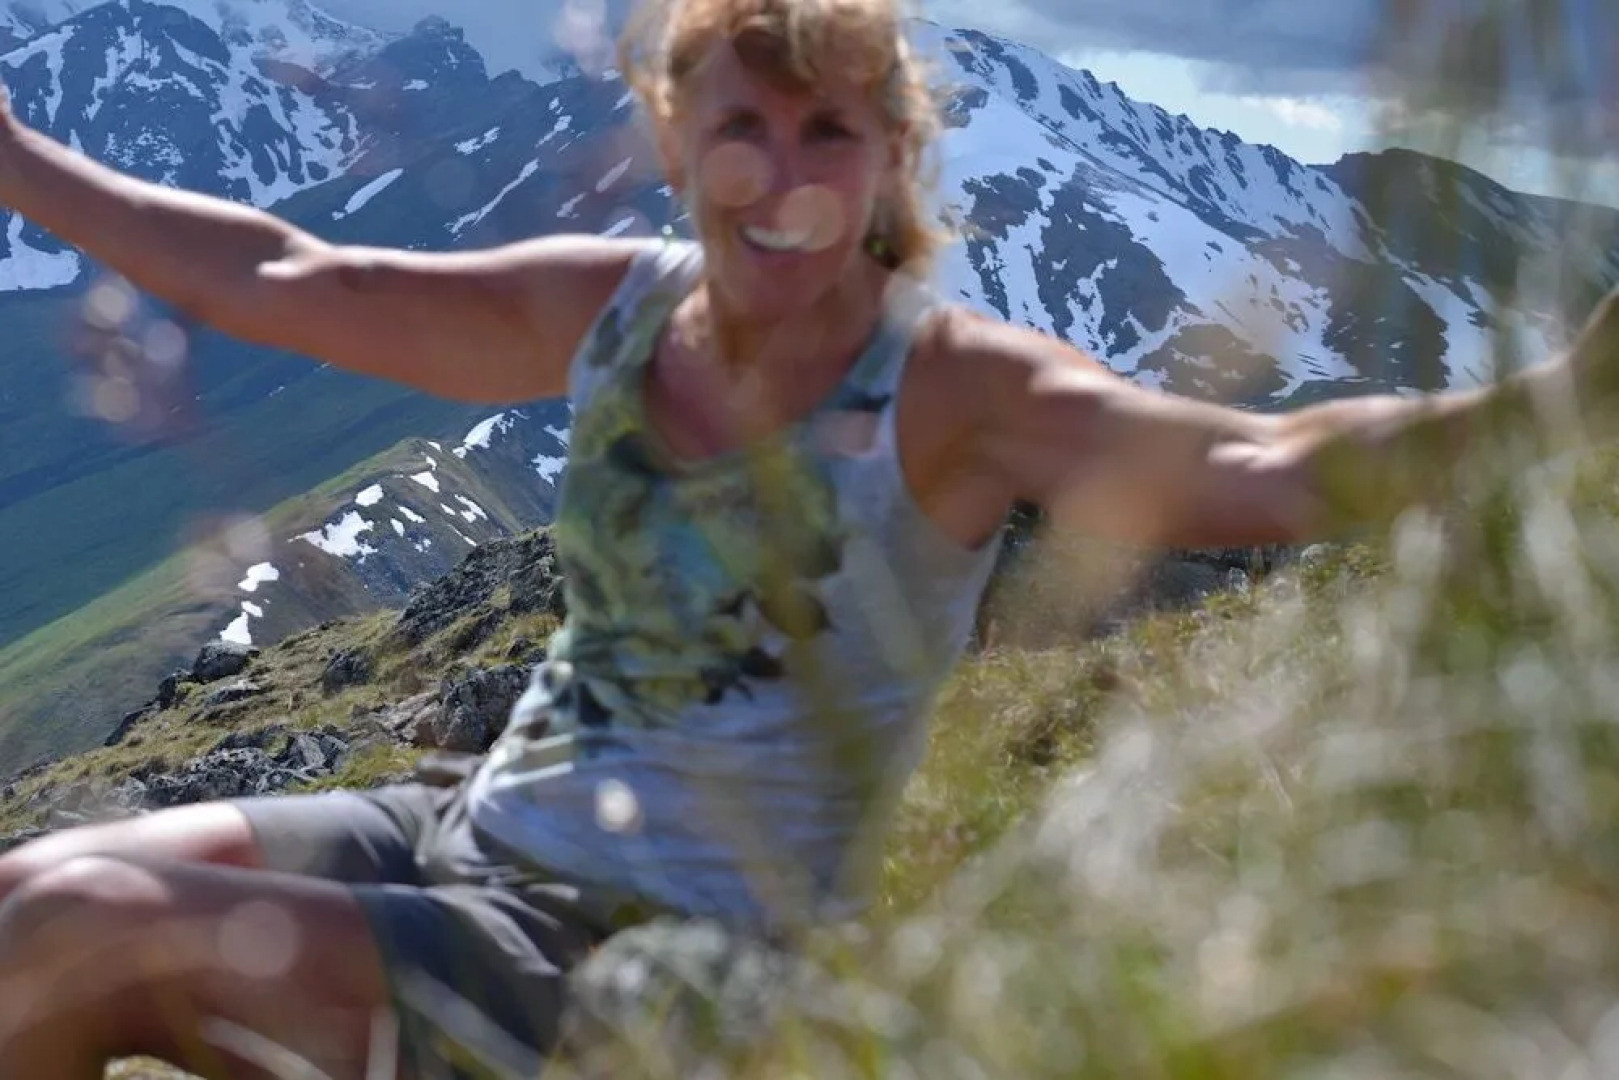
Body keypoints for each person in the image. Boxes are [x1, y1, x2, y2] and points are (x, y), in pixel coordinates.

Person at [0, 0, 1614, 1074]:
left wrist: (1562, 400)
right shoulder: (617, 314)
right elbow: (276, 277)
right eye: (741, 130)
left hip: (650, 977)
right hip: (465, 837)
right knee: (29, 898)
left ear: (894, 161)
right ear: (676, 134)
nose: (779, 179)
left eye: (827, 136)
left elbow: (1268, 459)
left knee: (96, 937)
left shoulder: (955, 395)